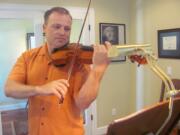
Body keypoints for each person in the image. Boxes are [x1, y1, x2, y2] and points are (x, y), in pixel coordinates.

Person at [4, 7, 111, 135]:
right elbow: (9, 89)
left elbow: (83, 103)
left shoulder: (77, 61)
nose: (62, 32)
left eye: (67, 28)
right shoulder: (27, 57)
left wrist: (98, 70)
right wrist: (39, 89)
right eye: (56, 26)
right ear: (44, 28)